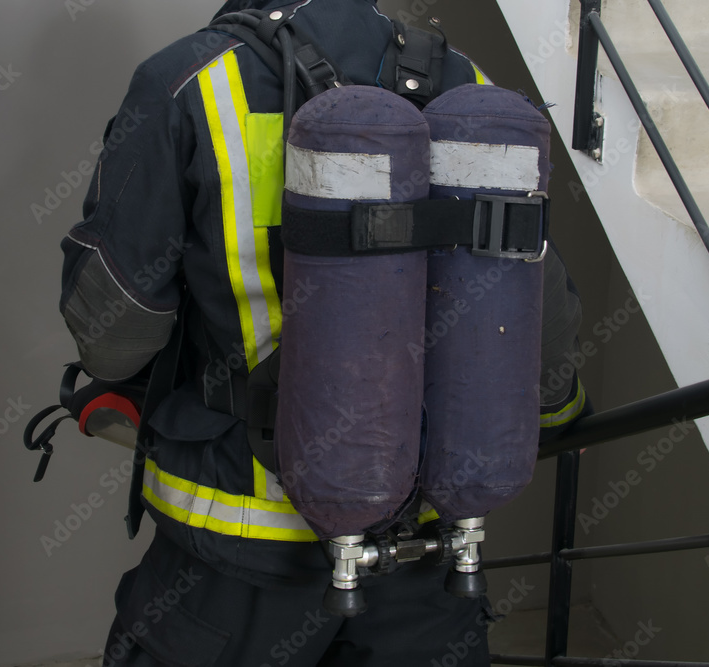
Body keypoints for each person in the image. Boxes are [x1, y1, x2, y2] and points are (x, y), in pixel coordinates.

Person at [59, 1, 589, 664]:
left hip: (233, 553)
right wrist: (560, 415)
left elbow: (115, 336)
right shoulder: (466, 81)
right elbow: (536, 308)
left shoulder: (189, 82)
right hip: (427, 555)